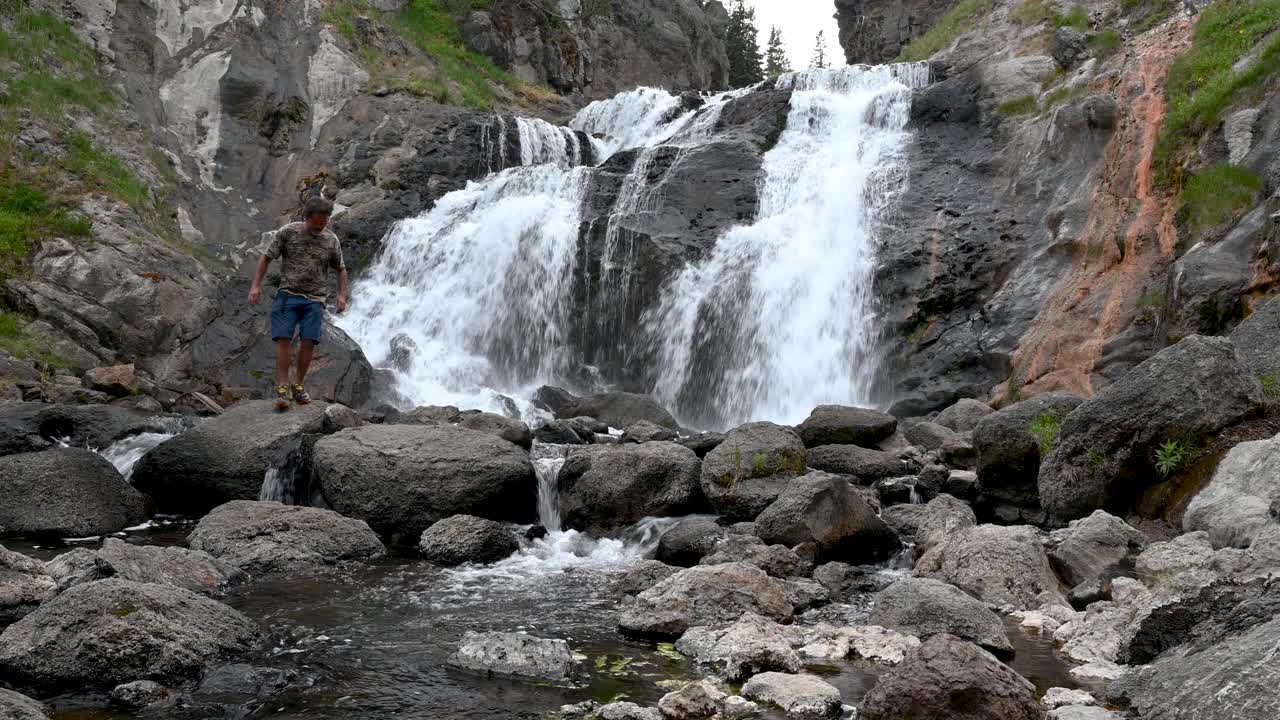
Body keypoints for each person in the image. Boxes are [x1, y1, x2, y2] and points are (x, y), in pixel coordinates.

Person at [248, 197, 349, 411]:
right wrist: (256, 286)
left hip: (315, 299)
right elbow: (266, 257)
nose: (320, 227)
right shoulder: (288, 232)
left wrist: (342, 295)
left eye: (324, 223)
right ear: (306, 217)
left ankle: (299, 385)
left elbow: (340, 268)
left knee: (309, 341)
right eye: (317, 223)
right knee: (283, 339)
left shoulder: (331, 240)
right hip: (288, 295)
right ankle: (282, 386)